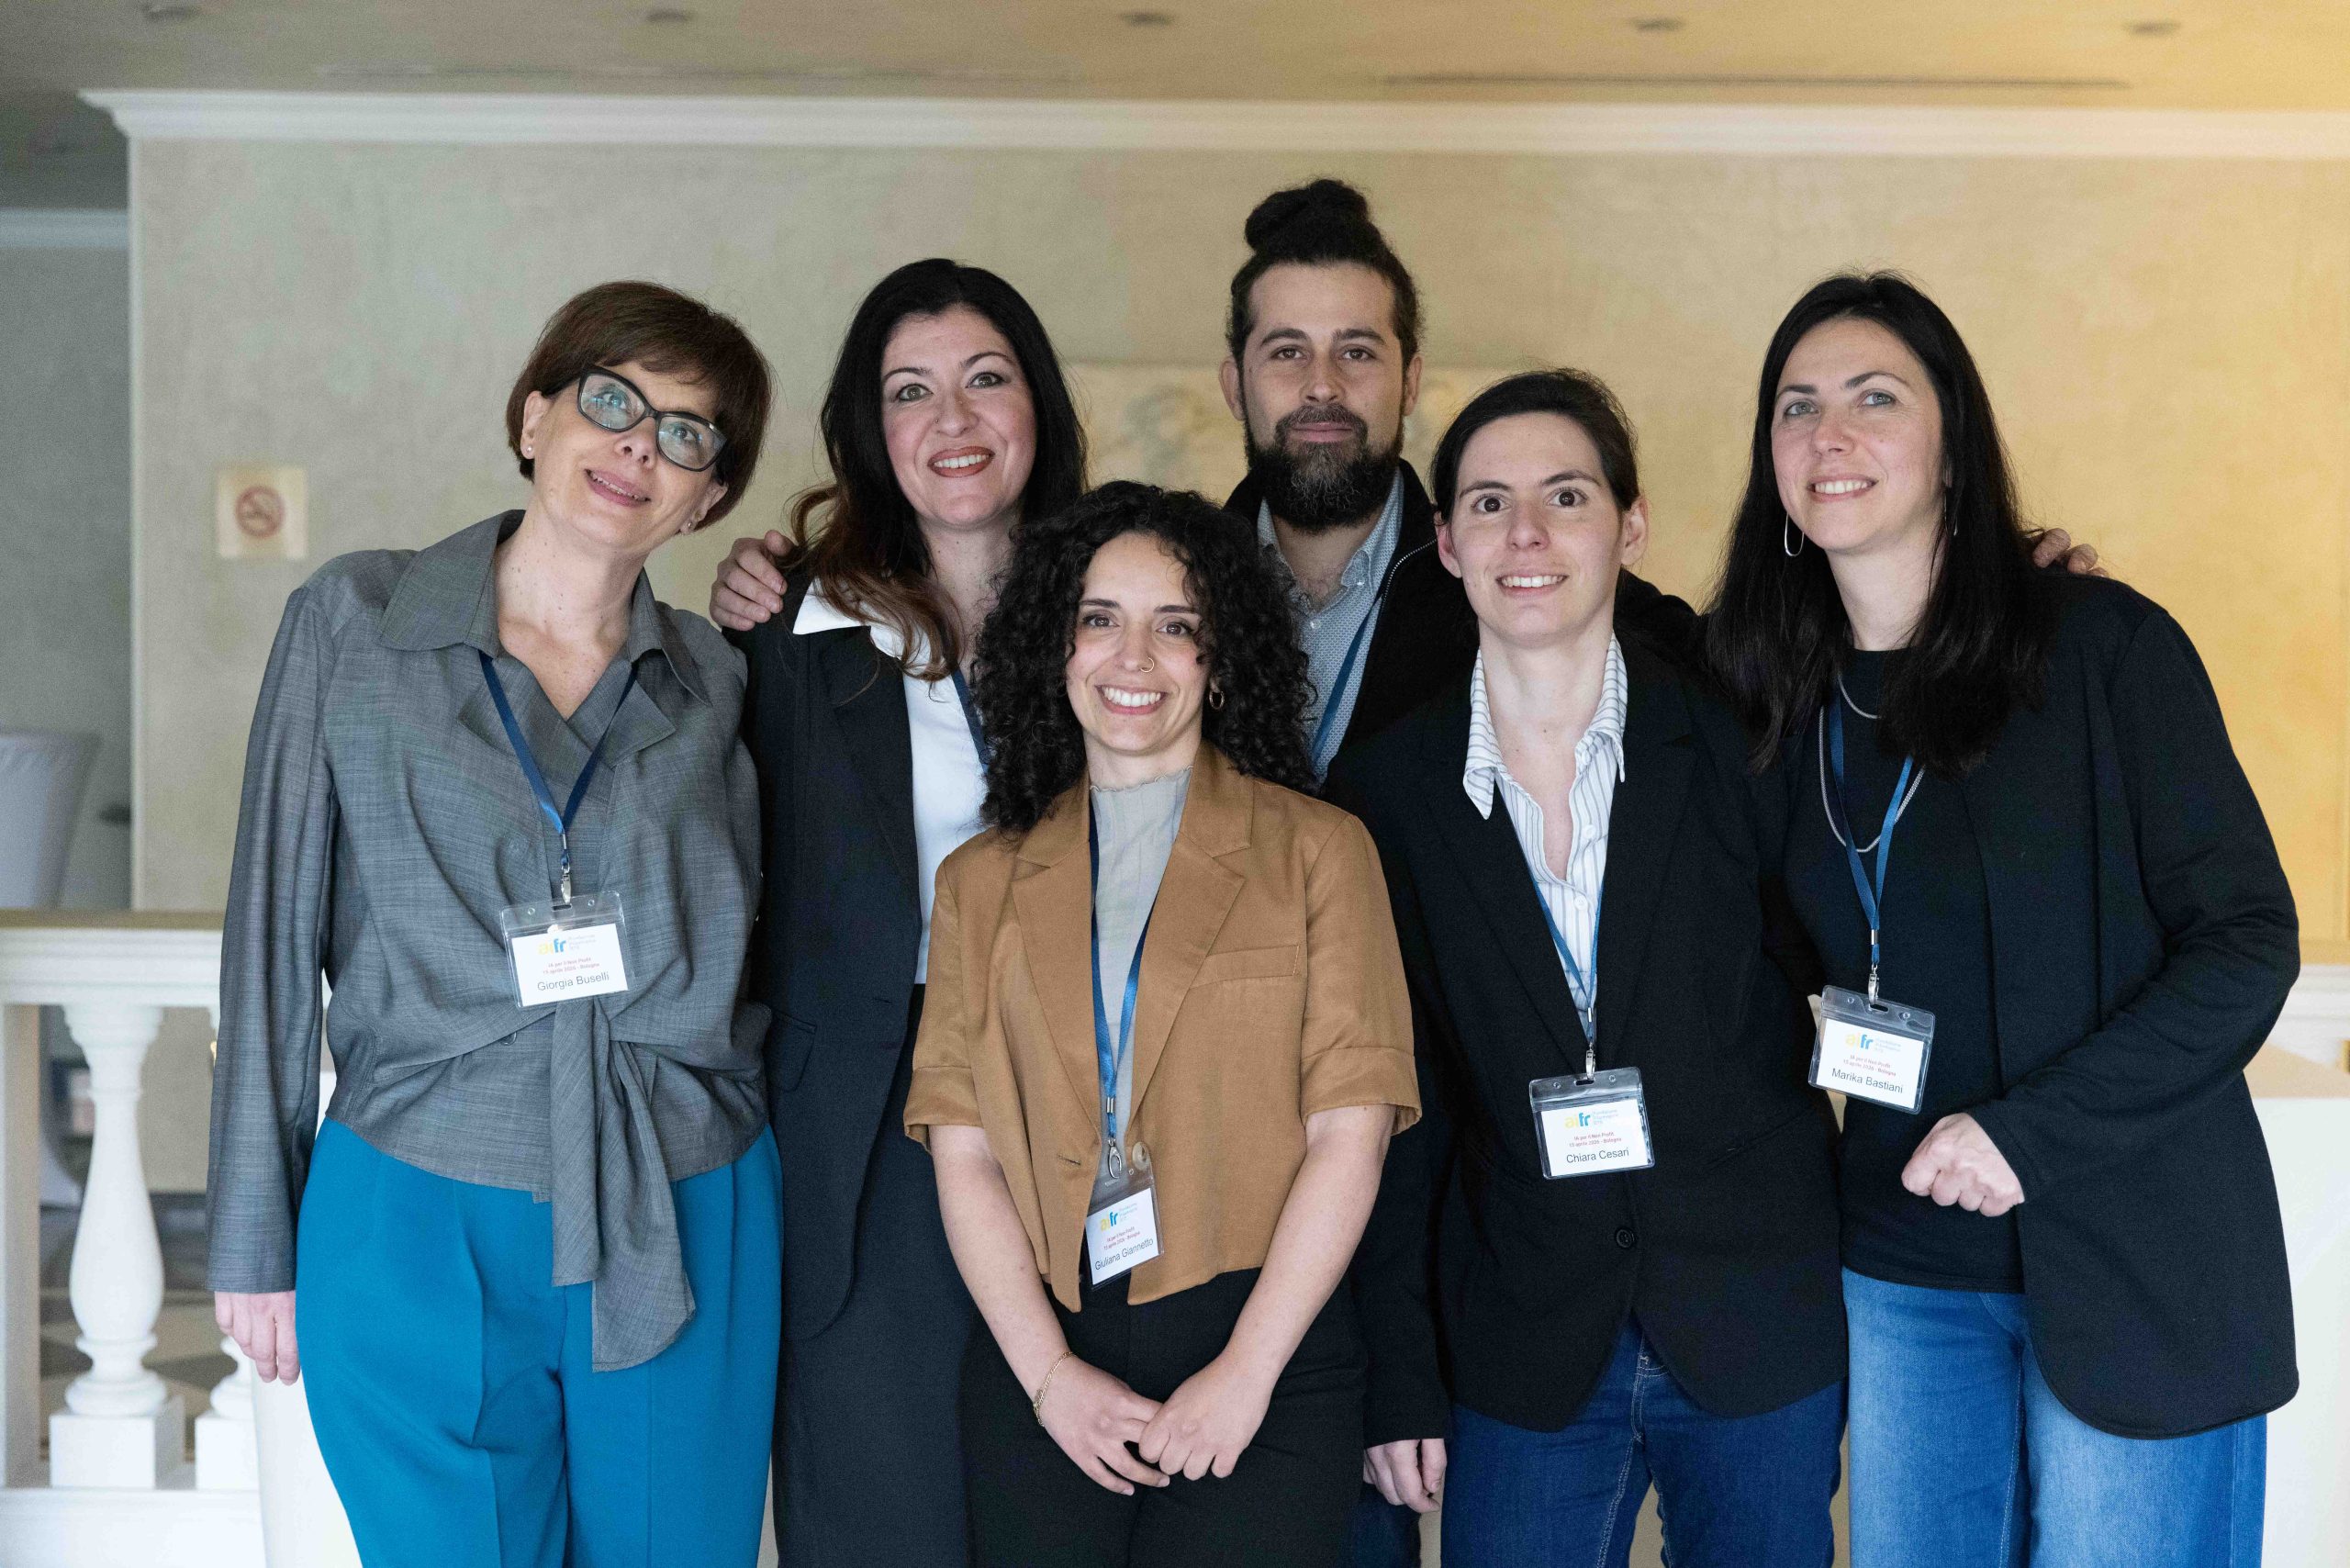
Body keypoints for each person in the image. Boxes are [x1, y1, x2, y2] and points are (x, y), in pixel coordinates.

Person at [1706, 272, 2298, 1567]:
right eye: (1796, 406)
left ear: (1953, 444)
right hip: (1903, 1273)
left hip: (2134, 1254)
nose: (1829, 434)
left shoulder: (2100, 649)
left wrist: (2027, 1136)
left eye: (1875, 398)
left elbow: (2248, 940)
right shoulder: (1768, 695)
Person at [207, 280, 781, 1567]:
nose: (637, 447)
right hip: (418, 1196)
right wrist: (253, 1230)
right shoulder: (357, 622)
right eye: (612, 401)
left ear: (707, 498)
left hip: (682, 1197)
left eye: (685, 433)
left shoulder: (720, 676)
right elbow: (269, 935)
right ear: (534, 418)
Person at [1326, 371, 1846, 1567]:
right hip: (1522, 1337)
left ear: (1630, 526)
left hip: (1755, 1314)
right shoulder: (1386, 796)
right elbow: (1394, 1107)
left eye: (1565, 497)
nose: (1526, 535)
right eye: (1489, 503)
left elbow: (1838, 966)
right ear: (1446, 544)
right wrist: (1398, 1368)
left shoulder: (1746, 742)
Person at [906, 481, 1421, 1567]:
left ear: (1219, 661)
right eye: (1099, 619)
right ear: (1055, 648)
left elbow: (1351, 1137)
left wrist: (1246, 1371)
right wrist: (1050, 1377)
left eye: (1175, 625)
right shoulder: (976, 884)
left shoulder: (1321, 853)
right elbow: (965, 1157)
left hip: (1263, 1357)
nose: (1131, 657)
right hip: (1045, 1360)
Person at [732, 258, 1088, 1564]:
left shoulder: (1121, 609)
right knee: (880, 1500)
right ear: (867, 428)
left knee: (1069, 1488)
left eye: (986, 379)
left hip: (1090, 1097)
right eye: (910, 391)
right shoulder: (790, 632)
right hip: (865, 1129)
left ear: (1037, 403)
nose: (953, 420)